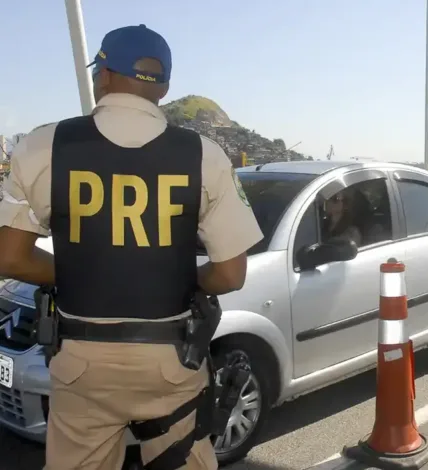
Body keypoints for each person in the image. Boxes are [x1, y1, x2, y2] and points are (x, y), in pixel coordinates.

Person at [0, 25, 263, 470]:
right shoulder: (205, 155)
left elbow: (10, 257)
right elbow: (230, 274)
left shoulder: (44, 146)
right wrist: (181, 279)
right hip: (172, 359)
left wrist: (86, 272)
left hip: (83, 362)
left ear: (103, 75)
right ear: (164, 88)